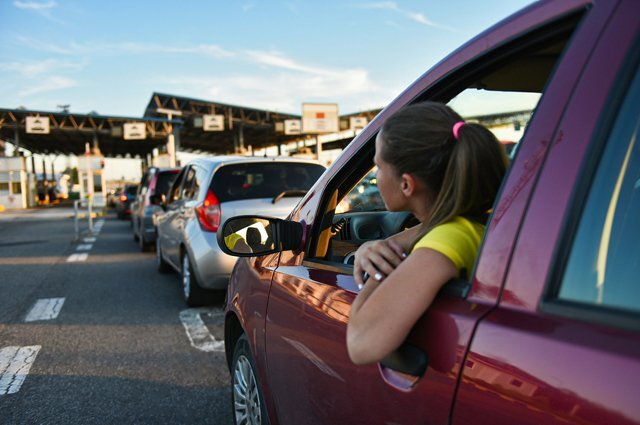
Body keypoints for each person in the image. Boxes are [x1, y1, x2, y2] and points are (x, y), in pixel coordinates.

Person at [346, 102, 508, 365]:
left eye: (379, 166)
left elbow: (360, 344)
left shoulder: (447, 240)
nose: (376, 176)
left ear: (407, 184)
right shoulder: (464, 227)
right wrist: (375, 248)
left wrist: (379, 271)